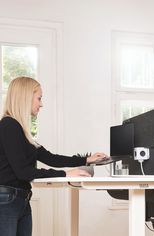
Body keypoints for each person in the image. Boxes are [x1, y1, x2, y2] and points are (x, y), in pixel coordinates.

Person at [0, 76, 107, 236]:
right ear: (26, 97)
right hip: (7, 200)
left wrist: (87, 159)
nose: (41, 104)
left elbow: (51, 158)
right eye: (39, 98)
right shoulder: (9, 126)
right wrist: (66, 174)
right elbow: (24, 172)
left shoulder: (22, 131)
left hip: (21, 199)